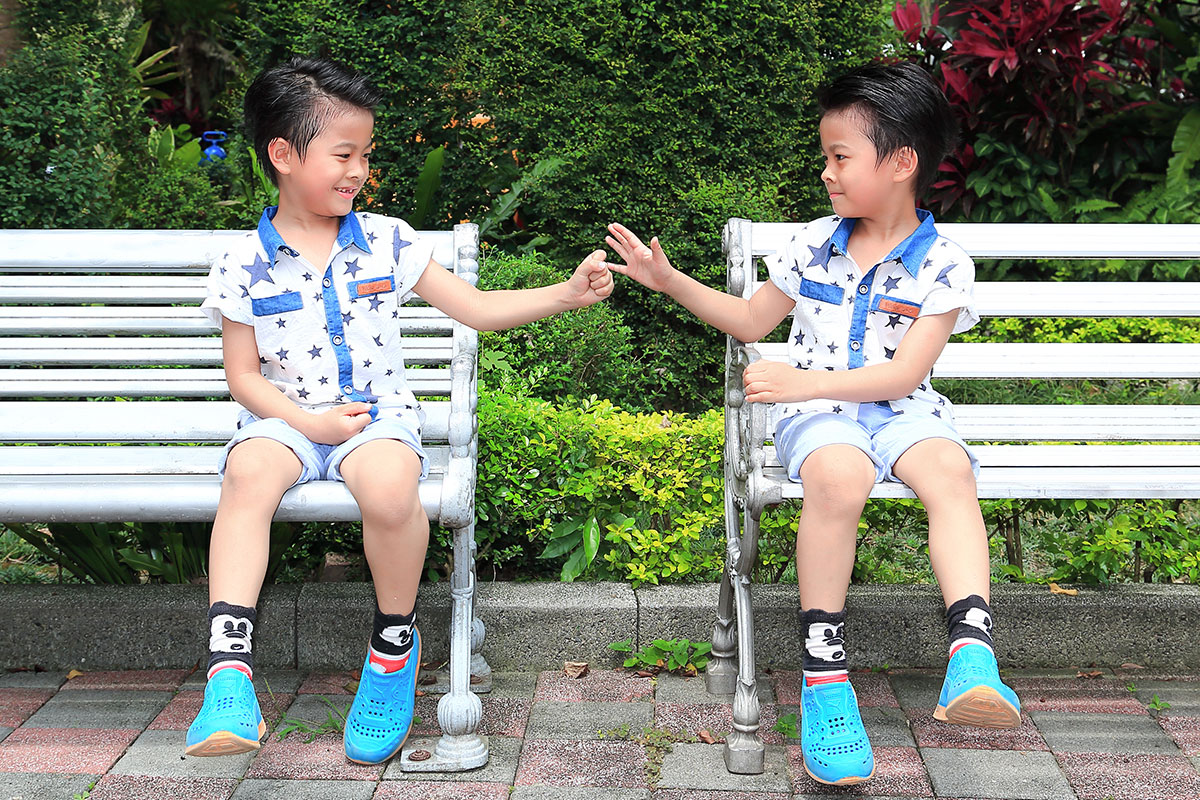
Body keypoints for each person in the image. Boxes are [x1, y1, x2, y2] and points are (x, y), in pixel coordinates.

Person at [187, 55, 612, 765]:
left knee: (389, 490)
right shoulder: (242, 262)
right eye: (343, 154)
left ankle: (392, 649)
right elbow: (243, 377)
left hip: (376, 418)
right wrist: (307, 423)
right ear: (283, 155)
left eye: (365, 154)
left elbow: (475, 308)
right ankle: (228, 675)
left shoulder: (388, 240)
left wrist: (564, 295)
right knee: (248, 475)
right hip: (283, 421)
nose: (359, 170)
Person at [605, 62, 1020, 786]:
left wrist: (805, 378)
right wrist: (667, 279)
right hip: (819, 416)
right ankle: (825, 676)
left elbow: (904, 376)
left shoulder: (945, 266)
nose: (826, 172)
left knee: (950, 471)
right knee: (838, 476)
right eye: (826, 156)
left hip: (903, 409)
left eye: (840, 156)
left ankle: (972, 654)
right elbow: (750, 320)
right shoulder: (812, 244)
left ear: (901, 163)